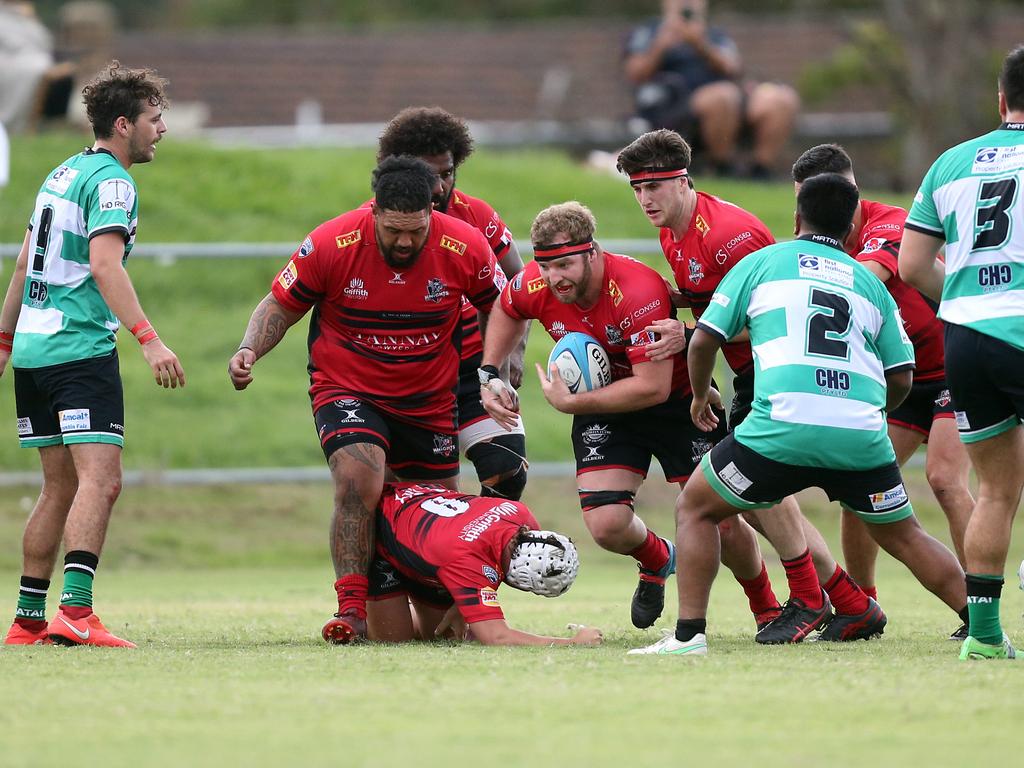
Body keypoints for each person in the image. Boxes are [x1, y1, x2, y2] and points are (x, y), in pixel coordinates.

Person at [630, 173, 968, 656]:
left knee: (697, 508)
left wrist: (701, 395)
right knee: (906, 534)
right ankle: (981, 625)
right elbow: (903, 372)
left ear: (795, 218)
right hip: (860, 434)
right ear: (852, 225)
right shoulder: (868, 283)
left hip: (781, 428)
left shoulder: (764, 262)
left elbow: (704, 338)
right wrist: (872, 413)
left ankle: (688, 637)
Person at [228, 155, 506, 645]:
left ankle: (440, 610)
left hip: (428, 398)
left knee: (432, 511)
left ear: (431, 216)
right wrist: (250, 347)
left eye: (415, 231)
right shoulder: (332, 243)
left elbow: (502, 307)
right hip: (347, 387)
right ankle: (350, 610)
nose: (405, 241)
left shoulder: (463, 246)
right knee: (360, 478)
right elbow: (280, 305)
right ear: (374, 211)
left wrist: (493, 370)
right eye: (394, 230)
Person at [616, 128, 881, 643]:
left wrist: (691, 335)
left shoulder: (730, 235)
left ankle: (807, 598)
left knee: (753, 488)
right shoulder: (673, 231)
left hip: (776, 368)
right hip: (746, 373)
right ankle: (849, 601)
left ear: (685, 181)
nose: (646, 198)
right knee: (754, 495)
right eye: (637, 188)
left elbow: (772, 312)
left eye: (656, 185)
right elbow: (710, 300)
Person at [480, 200, 783, 631]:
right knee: (606, 525)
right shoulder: (536, 282)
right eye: (546, 267)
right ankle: (658, 559)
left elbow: (651, 387)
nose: (554, 278)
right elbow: (508, 309)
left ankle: (766, 607)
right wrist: (491, 373)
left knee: (723, 522)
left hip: (678, 405)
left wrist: (568, 404)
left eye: (564, 264)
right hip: (607, 405)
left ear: (592, 253)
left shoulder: (636, 289)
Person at [1, 61, 183, 647]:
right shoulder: (111, 182)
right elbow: (105, 266)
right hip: (78, 351)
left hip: (33, 349)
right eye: (156, 120)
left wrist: (4, 339)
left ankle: (29, 620)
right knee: (100, 482)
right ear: (125, 124)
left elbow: (27, 259)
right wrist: (150, 339)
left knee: (58, 487)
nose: (163, 130)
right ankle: (75, 613)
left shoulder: (61, 172)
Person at [792, 144, 974, 641]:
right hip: (899, 380)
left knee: (943, 479)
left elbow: (864, 280)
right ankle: (863, 605)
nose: (806, 216)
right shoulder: (820, 237)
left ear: (850, 194)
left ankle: (981, 602)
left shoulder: (889, 223)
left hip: (951, 364)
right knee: (861, 488)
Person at [899, 46, 1024, 661]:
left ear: (1001, 101)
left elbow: (911, 265)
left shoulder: (950, 164)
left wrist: (974, 298)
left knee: (997, 490)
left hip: (968, 337)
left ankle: (983, 634)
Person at [376, 107, 528, 501]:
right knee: (406, 496)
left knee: (507, 471)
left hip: (475, 368)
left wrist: (511, 357)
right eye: (430, 175)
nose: (441, 187)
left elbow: (520, 286)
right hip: (411, 375)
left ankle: (484, 557)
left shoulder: (476, 214)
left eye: (447, 172)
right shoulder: (381, 223)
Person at [367, 482, 602, 647]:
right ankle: (357, 619)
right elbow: (496, 637)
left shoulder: (520, 515)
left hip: (413, 511)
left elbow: (486, 552)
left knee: (443, 634)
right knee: (392, 637)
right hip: (375, 530)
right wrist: (572, 643)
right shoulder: (466, 561)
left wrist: (465, 603)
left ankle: (397, 610)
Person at [622, 0, 799, 178]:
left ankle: (761, 170)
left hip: (730, 98)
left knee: (781, 99)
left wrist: (700, 44)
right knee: (723, 96)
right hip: (675, 102)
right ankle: (722, 167)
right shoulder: (649, 31)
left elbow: (732, 68)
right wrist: (661, 44)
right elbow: (635, 73)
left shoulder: (714, 34)